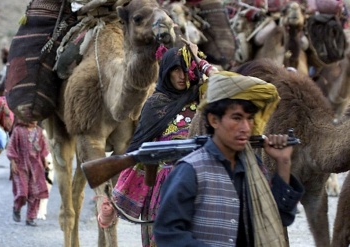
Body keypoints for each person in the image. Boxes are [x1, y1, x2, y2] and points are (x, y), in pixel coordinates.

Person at [153, 72, 305, 246]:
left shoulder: (253, 168)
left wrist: (283, 162)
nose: (246, 128)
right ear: (214, 120)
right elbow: (168, 233)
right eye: (237, 118)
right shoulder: (190, 170)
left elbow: (278, 219)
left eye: (249, 119)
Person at [101, 41, 218, 246]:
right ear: (165, 72)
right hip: (164, 188)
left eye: (185, 69)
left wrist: (199, 61)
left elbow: (223, 82)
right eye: (175, 70)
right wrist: (113, 200)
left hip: (199, 183)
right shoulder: (155, 104)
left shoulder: (203, 97)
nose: (181, 76)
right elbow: (137, 151)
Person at [7, 120, 50, 226]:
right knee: (22, 192)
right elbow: (11, 146)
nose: (35, 121)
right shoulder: (18, 130)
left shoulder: (39, 131)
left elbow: (43, 148)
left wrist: (45, 161)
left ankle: (30, 218)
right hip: (20, 164)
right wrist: (12, 161)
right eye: (32, 118)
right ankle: (17, 208)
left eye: (36, 119)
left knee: (35, 192)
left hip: (36, 165)